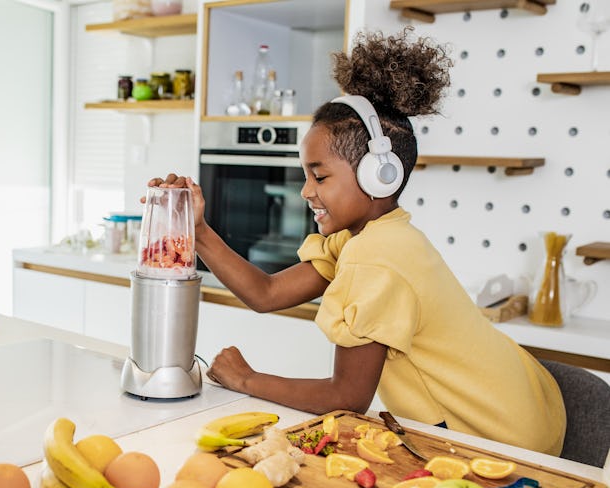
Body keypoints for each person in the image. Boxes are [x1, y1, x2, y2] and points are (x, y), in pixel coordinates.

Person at [148, 28, 565, 456]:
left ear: (378, 174)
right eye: (305, 176)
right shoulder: (367, 236)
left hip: (505, 442)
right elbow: (267, 292)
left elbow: (347, 398)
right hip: (531, 405)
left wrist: (246, 380)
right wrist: (197, 230)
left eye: (320, 176)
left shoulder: (375, 257)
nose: (306, 192)